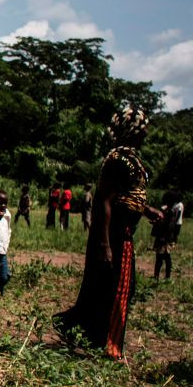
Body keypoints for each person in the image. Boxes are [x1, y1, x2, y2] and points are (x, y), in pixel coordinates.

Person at [54, 107, 163, 360]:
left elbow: (126, 195)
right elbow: (104, 200)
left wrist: (147, 210)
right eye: (142, 127)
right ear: (132, 130)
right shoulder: (118, 159)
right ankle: (110, 347)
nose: (145, 132)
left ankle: (78, 329)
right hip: (114, 233)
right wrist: (104, 243)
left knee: (106, 288)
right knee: (120, 290)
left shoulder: (129, 158)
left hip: (120, 232)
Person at [152, 190, 181, 280]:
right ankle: (164, 277)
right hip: (165, 237)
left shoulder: (167, 211)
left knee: (162, 258)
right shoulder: (168, 211)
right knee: (165, 258)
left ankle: (160, 276)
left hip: (164, 237)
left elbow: (167, 225)